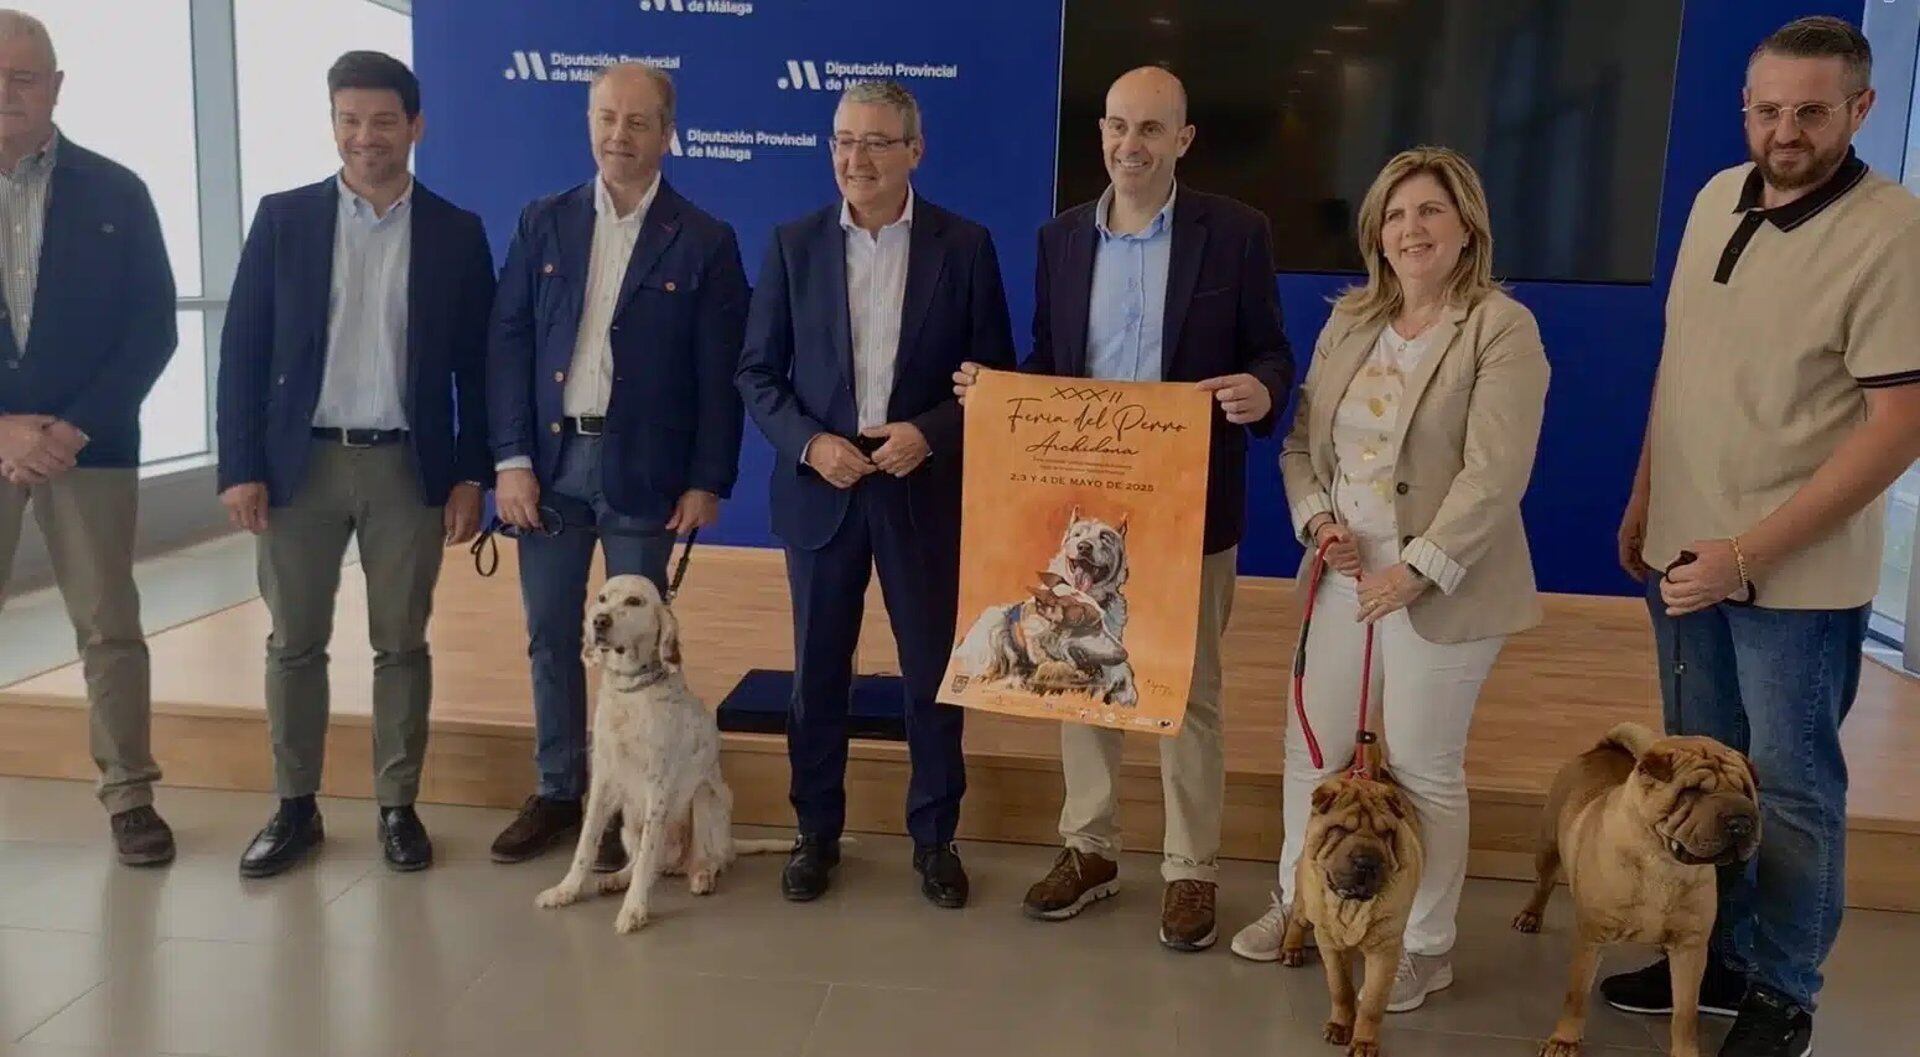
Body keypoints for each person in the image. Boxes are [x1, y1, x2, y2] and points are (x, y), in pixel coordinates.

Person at [1604, 18, 1920, 1056]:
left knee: (1788, 791)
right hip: (1686, 564)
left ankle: (1784, 992)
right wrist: (1648, 501)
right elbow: (1681, 365)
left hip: (1794, 580)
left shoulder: (1892, 232)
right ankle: (1721, 955)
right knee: (1703, 775)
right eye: (1769, 109)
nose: (1786, 131)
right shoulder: (1712, 198)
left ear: (1861, 109)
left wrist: (1748, 552)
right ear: (1746, 107)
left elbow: (1899, 426)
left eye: (1812, 111)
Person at [955, 65, 1291, 950]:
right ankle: (1092, 849)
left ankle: (1190, 869)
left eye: (1149, 130)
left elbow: (1271, 352)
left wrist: (1261, 388)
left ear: (1183, 139)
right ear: (1099, 132)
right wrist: (996, 395)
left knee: (1192, 691)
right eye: (1115, 127)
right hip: (1082, 507)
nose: (1128, 147)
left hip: (1191, 507)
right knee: (1077, 674)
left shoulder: (1238, 234)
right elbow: (1049, 358)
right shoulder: (1060, 239)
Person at [1231, 147, 1549, 1015]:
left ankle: (1422, 946)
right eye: (1397, 214)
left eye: (1431, 212)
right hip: (1342, 572)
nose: (1412, 229)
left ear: (1466, 226)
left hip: (1444, 581)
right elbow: (1302, 445)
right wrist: (1319, 522)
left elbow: (1495, 472)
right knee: (1314, 751)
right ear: (1377, 231)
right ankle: (1299, 905)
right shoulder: (1349, 321)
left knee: (1421, 767)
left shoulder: (1500, 327)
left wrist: (1416, 569)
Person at [736, 80, 1015, 908]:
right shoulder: (793, 244)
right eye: (842, 141)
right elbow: (756, 372)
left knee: (934, 672)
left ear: (914, 152)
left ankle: (935, 838)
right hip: (823, 485)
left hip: (919, 486)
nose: (854, 159)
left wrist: (926, 432)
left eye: (875, 143)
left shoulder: (964, 247)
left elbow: (991, 377)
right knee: (818, 672)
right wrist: (813, 442)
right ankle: (814, 831)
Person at [215, 51, 494, 877]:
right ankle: (294, 807)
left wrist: (472, 472)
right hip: (298, 468)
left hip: (407, 469)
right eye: (348, 119)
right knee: (293, 642)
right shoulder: (283, 219)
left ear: (415, 125)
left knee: (400, 644)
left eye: (381, 120)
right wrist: (239, 465)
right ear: (332, 123)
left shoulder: (456, 231)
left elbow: (477, 370)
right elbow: (242, 352)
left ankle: (397, 806)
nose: (363, 137)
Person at [486, 63, 748, 868]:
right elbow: (509, 343)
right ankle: (562, 789)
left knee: (643, 646)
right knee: (548, 634)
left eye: (638, 122)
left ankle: (637, 805)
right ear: (589, 122)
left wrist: (709, 478)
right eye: (606, 118)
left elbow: (721, 373)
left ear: (669, 133)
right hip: (551, 467)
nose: (619, 136)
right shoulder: (543, 222)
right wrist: (510, 459)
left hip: (648, 475)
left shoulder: (705, 239)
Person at [0, 9, 178, 866]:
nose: (6, 93)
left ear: (56, 87)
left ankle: (130, 797)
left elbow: (152, 329)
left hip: (90, 449)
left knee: (109, 624)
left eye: (23, 77)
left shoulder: (116, 191)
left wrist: (70, 427)